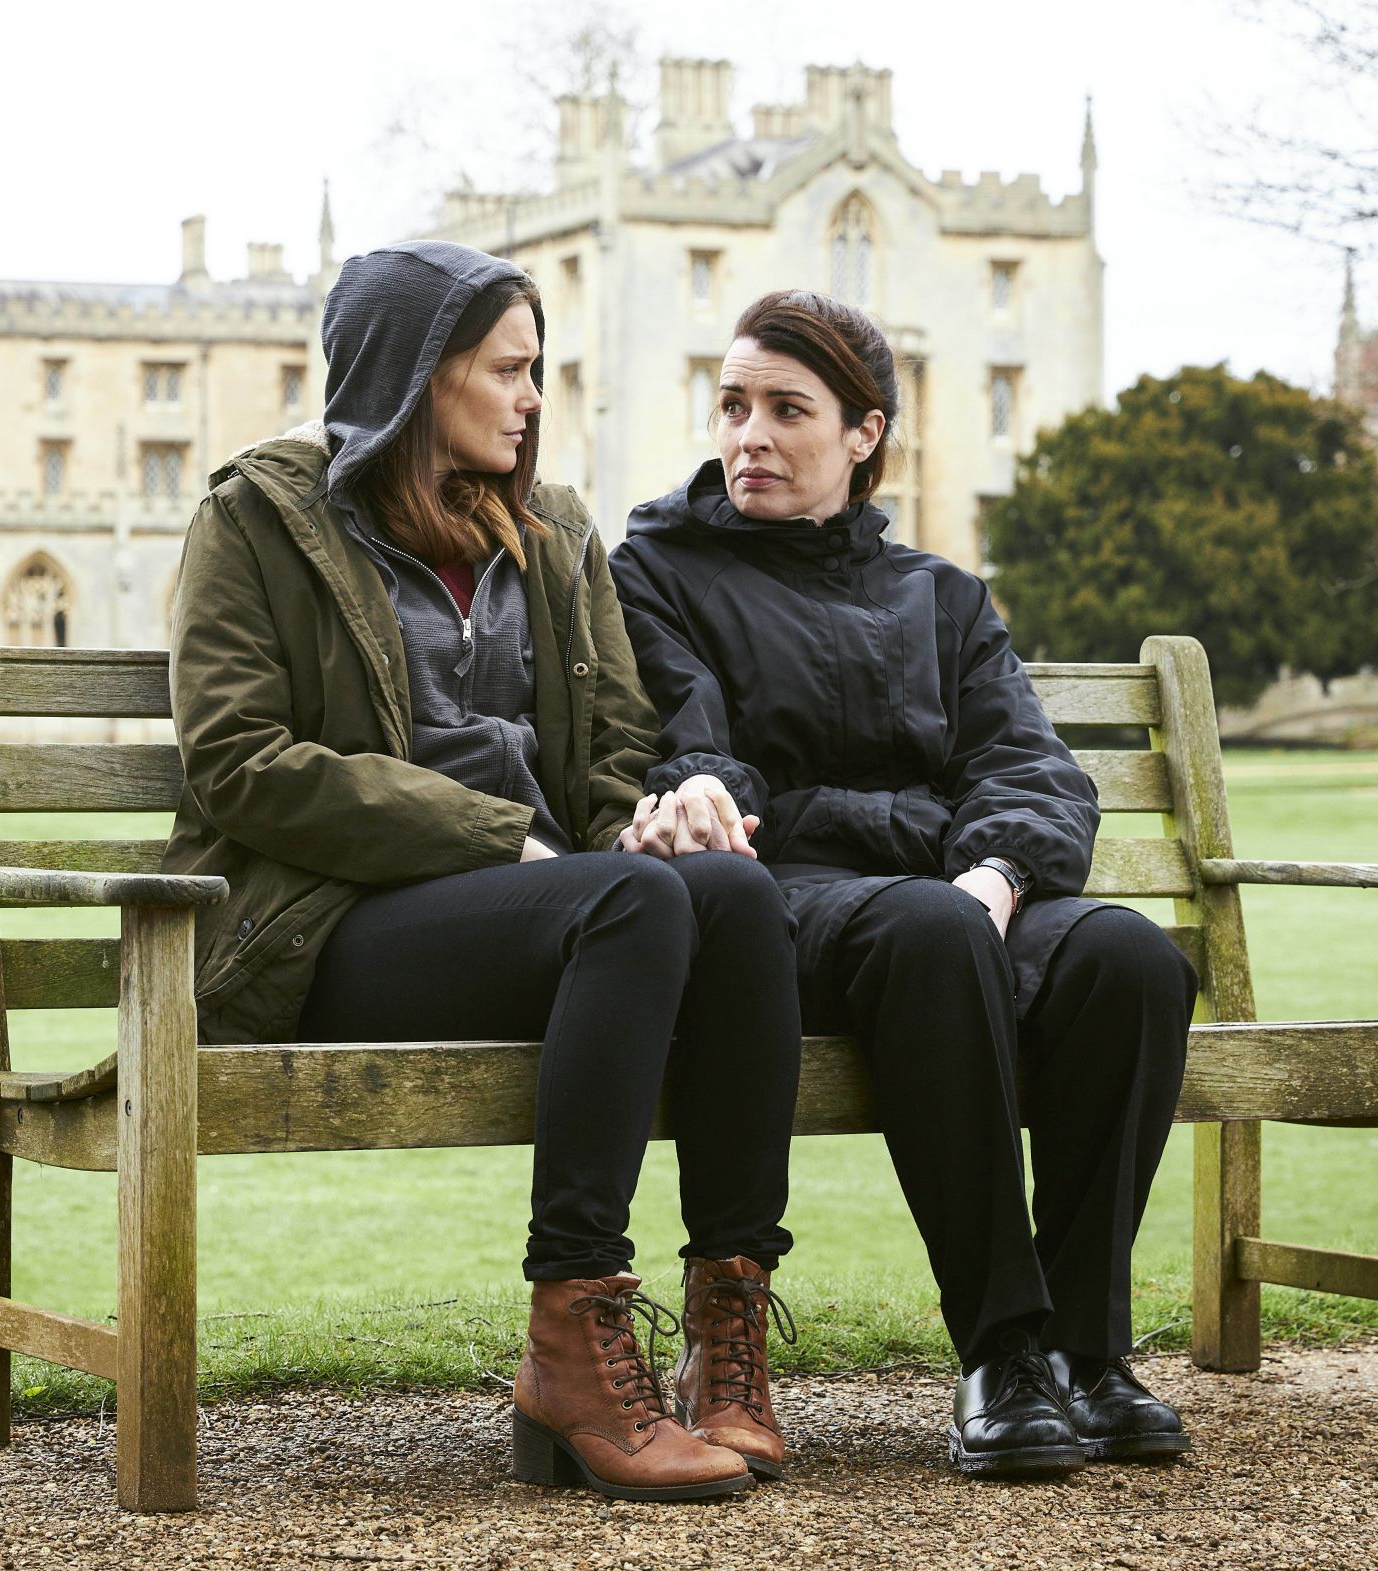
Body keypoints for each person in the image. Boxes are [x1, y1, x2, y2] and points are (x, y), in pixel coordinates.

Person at [165, 242, 801, 1500]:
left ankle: (726, 1328)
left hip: (548, 912)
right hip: (330, 927)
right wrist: (484, 835)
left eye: (536, 371)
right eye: (506, 370)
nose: (528, 397)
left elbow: (615, 739)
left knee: (726, 887)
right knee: (626, 901)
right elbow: (237, 759)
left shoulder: (550, 525)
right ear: (417, 375)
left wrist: (646, 814)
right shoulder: (256, 517)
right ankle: (572, 1336)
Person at [608, 289, 1197, 1480]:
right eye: (732, 405)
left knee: (1127, 956)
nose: (750, 436)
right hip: (778, 904)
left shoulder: (940, 595)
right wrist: (738, 801)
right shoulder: (655, 571)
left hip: (949, 892)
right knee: (936, 931)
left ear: (864, 433)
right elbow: (703, 755)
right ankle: (999, 1349)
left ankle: (1086, 1350)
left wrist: (996, 870)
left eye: (787, 409)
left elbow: (1026, 766)